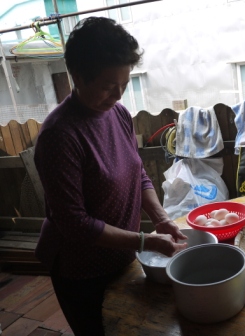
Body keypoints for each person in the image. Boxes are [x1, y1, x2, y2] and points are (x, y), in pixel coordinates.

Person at [34, 17, 187, 336]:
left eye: (125, 85)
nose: (118, 95)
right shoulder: (60, 135)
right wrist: (146, 241)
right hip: (81, 271)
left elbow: (138, 173)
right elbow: (74, 223)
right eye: (107, 86)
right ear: (77, 76)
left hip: (121, 258)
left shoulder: (116, 113)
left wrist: (160, 218)